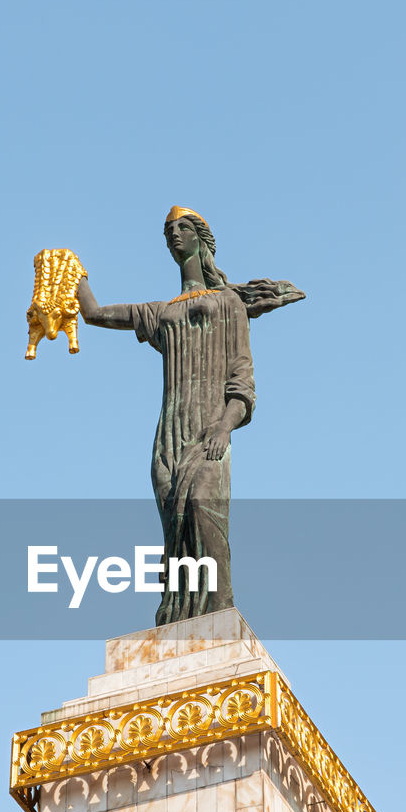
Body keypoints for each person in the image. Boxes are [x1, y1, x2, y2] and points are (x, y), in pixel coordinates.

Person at [76, 206, 304, 625]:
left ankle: (219, 613)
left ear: (201, 238)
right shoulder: (162, 313)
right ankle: (178, 618)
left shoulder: (228, 303)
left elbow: (242, 381)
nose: (173, 235)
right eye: (168, 231)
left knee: (203, 506)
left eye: (182, 228)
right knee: (175, 528)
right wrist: (72, 271)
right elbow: (93, 313)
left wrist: (224, 426)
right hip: (169, 437)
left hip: (209, 431)